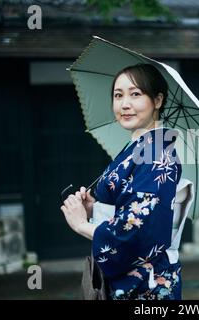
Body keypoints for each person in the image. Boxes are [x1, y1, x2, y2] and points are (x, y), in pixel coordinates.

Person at [61, 63, 183, 300]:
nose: (124, 104)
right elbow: (126, 206)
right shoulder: (137, 147)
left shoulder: (157, 155)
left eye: (135, 94)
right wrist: (94, 207)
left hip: (144, 287)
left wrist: (81, 225)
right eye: (118, 95)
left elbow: (135, 232)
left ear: (157, 100)